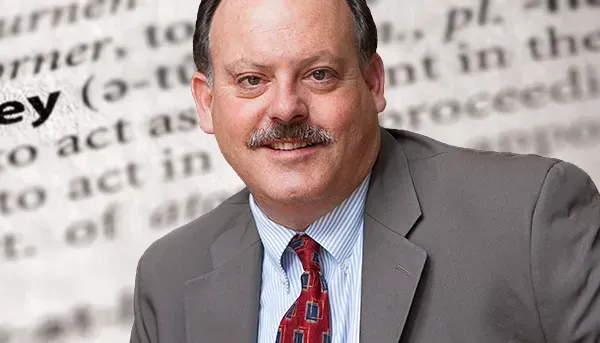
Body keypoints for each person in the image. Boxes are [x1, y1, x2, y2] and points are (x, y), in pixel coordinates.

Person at [128, 0, 600, 342]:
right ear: (207, 104)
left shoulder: (529, 219)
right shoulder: (168, 278)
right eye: (252, 80)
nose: (287, 108)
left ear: (373, 83)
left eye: (319, 74)